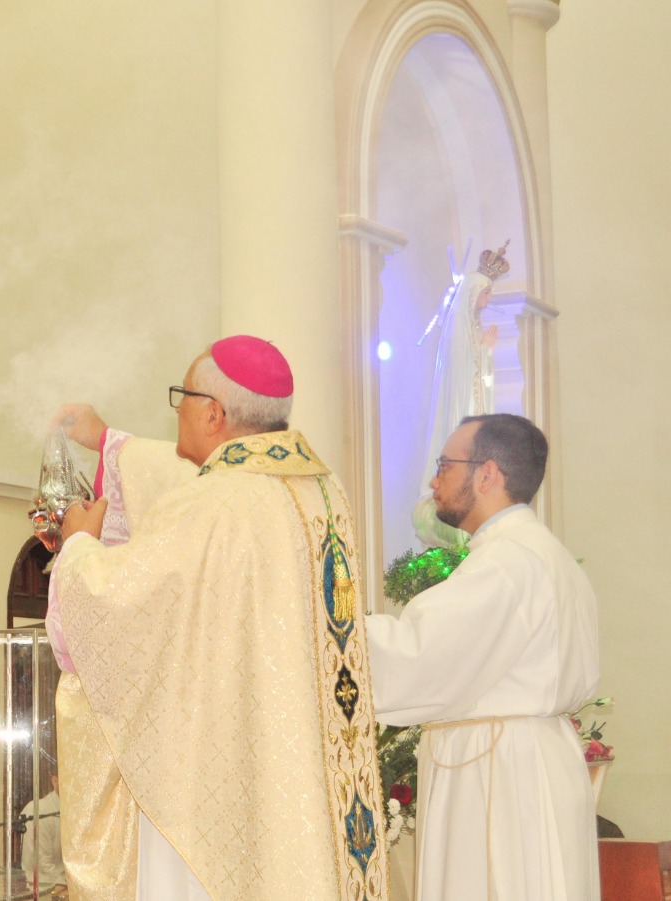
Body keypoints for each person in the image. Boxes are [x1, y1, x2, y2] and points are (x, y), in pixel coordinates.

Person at [45, 337, 387, 901]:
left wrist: (79, 546)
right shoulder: (322, 495)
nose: (176, 408)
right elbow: (198, 482)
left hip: (212, 770)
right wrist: (108, 441)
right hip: (299, 763)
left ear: (213, 413)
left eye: (182, 395)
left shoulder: (209, 507)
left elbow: (114, 606)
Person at [367, 414, 601, 900]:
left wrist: (328, 627)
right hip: (523, 761)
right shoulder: (538, 552)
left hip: (500, 776)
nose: (434, 480)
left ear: (487, 473)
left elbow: (420, 658)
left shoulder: (509, 560)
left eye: (444, 465)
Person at [414, 242, 510, 548]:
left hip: (474, 411)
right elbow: (463, 378)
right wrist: (484, 349)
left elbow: (480, 379)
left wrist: (486, 351)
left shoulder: (474, 328)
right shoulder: (459, 331)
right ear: (472, 294)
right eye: (485, 294)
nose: (488, 301)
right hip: (460, 414)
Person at [20, 773, 66, 898]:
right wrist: (69, 885)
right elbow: (42, 863)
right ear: (55, 780)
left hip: (65, 882)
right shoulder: (39, 809)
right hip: (42, 886)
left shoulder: (76, 808)